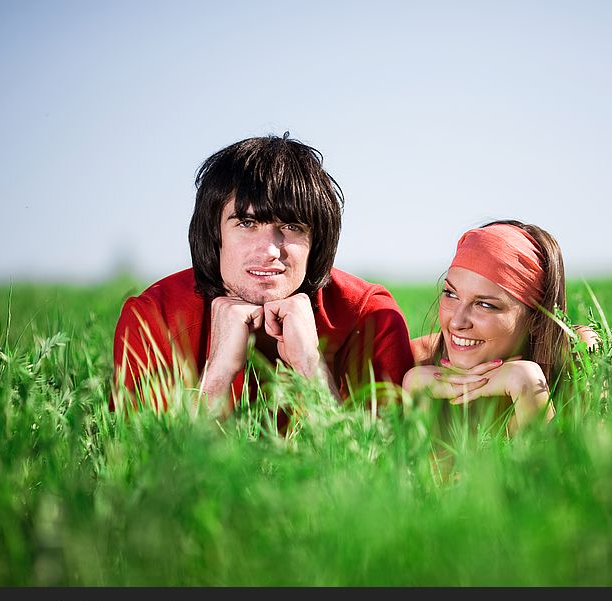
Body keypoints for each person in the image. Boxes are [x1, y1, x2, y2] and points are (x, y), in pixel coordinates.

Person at [112, 133, 413, 414]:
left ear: (317, 242)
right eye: (246, 224)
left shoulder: (371, 317)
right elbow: (143, 465)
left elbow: (376, 465)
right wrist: (218, 374)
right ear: (213, 234)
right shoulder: (154, 317)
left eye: (292, 227)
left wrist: (312, 367)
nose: (270, 250)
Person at [403, 220, 598, 433]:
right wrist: (418, 391)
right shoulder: (417, 362)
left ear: (536, 319)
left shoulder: (579, 352)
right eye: (451, 294)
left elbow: (585, 463)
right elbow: (428, 466)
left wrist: (526, 384)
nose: (457, 322)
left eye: (485, 305)